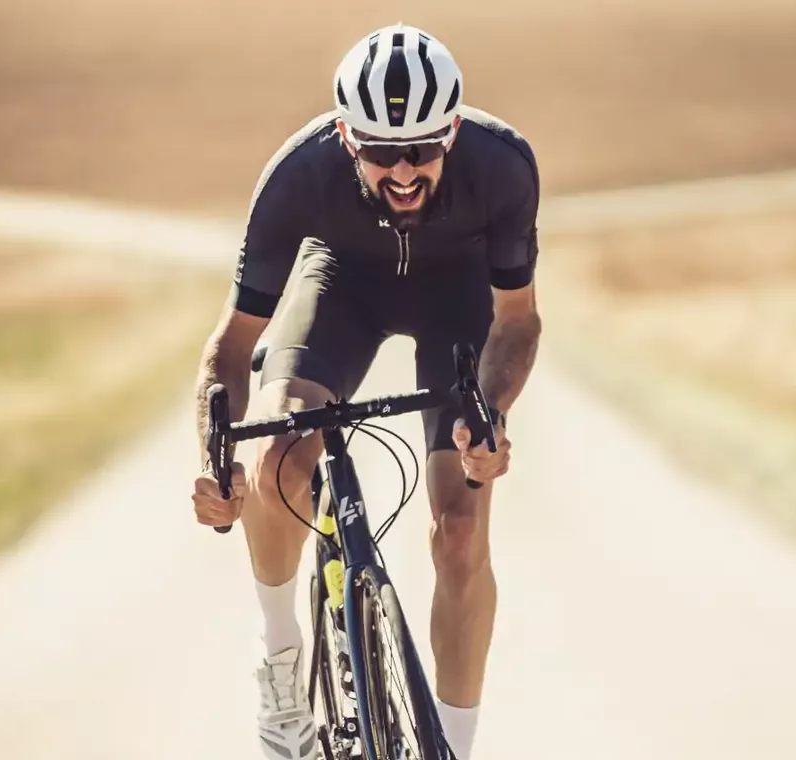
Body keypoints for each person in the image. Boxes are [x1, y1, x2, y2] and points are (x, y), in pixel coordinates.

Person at [189, 22, 543, 760]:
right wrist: (216, 459)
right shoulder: (298, 175)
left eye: (421, 149)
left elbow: (517, 319)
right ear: (348, 139)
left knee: (461, 536)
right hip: (340, 285)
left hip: (456, 294)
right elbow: (230, 347)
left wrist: (490, 418)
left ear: (451, 133)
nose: (404, 171)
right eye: (382, 152)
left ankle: (455, 746)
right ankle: (282, 666)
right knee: (279, 455)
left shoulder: (502, 166)